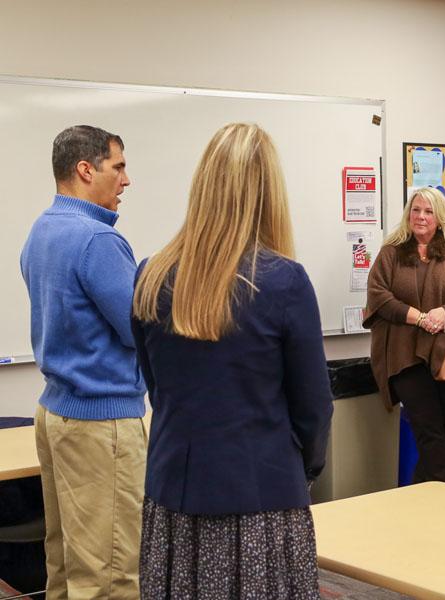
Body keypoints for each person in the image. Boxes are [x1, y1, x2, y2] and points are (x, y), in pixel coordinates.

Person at [132, 123, 333, 598]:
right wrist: (306, 465)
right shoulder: (283, 281)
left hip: (174, 496)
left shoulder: (150, 275)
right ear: (268, 194)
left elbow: (157, 389)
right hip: (260, 497)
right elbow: (313, 406)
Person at [20, 125, 146, 599]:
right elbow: (138, 332)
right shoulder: (97, 240)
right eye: (118, 166)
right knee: (111, 574)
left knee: (67, 561)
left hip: (57, 414)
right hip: (102, 423)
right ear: (85, 169)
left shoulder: (43, 229)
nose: (126, 180)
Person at [364, 187, 445, 484]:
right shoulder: (391, 253)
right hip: (403, 355)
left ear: (440, 218)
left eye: (428, 211)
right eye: (416, 210)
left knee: (436, 434)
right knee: (429, 433)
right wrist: (419, 318)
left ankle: (422, 505)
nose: (420, 217)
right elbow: (378, 296)